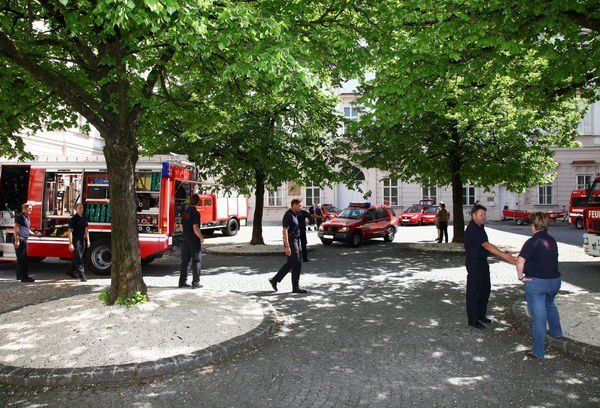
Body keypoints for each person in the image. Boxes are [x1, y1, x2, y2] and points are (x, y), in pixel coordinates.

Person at [516, 212, 563, 359]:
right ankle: (557, 333)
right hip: (555, 281)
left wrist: (520, 277)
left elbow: (520, 261)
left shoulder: (532, 242)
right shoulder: (552, 240)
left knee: (539, 318)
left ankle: (537, 351)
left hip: (538, 283)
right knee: (550, 305)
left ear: (533, 226)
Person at [464, 204, 515, 329]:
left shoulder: (480, 226)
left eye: (485, 215)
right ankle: (473, 320)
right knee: (474, 291)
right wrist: (503, 255)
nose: (484, 217)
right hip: (474, 263)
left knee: (485, 289)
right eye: (481, 215)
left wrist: (499, 253)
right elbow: (486, 245)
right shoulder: (473, 229)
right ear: (474, 215)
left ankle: (481, 315)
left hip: (482, 261)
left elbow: (485, 245)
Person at [269, 199, 307, 294]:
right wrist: (287, 246)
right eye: (299, 205)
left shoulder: (294, 214)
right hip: (291, 240)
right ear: (294, 205)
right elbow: (284, 231)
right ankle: (279, 281)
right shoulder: (288, 215)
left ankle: (291, 285)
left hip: (295, 240)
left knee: (293, 263)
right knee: (295, 263)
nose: (300, 207)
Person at [179, 194, 204, 288]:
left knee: (185, 261)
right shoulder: (196, 213)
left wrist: (185, 233)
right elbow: (195, 227)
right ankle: (196, 282)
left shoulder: (186, 212)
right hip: (194, 239)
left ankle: (182, 282)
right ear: (198, 202)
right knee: (196, 260)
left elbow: (181, 226)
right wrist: (201, 237)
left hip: (185, 238)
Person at [67, 203, 90, 282]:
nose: (82, 209)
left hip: (82, 240)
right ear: (76, 209)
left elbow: (86, 230)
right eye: (80, 208)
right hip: (75, 240)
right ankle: (82, 275)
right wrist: (70, 244)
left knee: (78, 257)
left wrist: (88, 240)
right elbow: (70, 232)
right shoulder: (73, 219)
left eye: (82, 207)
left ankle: (69, 271)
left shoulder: (85, 218)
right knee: (79, 258)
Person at [13, 203, 35, 282]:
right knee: (23, 259)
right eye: (29, 208)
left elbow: (27, 229)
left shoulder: (26, 217)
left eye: (31, 208)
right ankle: (24, 278)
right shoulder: (20, 217)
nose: (31, 210)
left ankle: (19, 276)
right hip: (20, 239)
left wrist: (35, 234)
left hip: (23, 239)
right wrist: (17, 240)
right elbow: (16, 228)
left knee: (20, 259)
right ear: (24, 209)